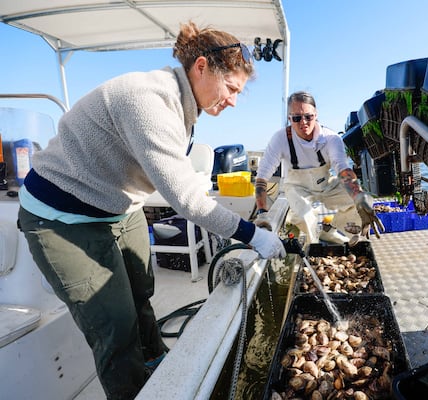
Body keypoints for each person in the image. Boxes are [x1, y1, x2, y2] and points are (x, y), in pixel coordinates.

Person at [16, 22, 285, 400]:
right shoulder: (148, 102)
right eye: (232, 88)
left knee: (142, 293)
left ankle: (162, 374)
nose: (234, 101)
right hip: (61, 216)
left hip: (118, 208)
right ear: (202, 67)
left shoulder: (185, 105)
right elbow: (188, 200)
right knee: (115, 325)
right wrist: (252, 234)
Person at [255, 91, 384, 245]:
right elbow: (262, 177)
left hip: (326, 184)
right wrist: (262, 212)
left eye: (308, 116)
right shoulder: (280, 139)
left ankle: (338, 232)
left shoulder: (331, 138)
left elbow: (342, 168)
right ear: (290, 118)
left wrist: (358, 196)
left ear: (316, 115)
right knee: (305, 215)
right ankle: (313, 244)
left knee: (359, 202)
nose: (303, 122)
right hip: (296, 187)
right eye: (296, 118)